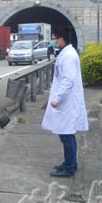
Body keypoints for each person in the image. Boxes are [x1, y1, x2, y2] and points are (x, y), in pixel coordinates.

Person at [42, 28, 88, 177]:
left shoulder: (68, 55)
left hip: (66, 101)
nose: (55, 42)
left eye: (56, 39)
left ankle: (69, 167)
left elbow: (68, 79)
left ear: (62, 39)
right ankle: (70, 163)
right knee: (67, 134)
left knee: (67, 135)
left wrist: (57, 98)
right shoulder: (67, 53)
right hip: (66, 101)